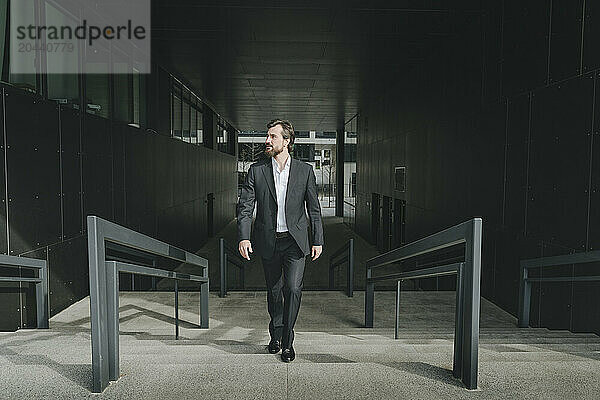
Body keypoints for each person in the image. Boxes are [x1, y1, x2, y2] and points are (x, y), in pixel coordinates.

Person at [237, 119, 324, 362]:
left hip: (295, 242)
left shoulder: (305, 171)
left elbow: (314, 210)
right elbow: (245, 208)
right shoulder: (257, 170)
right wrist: (244, 237)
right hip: (269, 241)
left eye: (273, 136)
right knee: (274, 291)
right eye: (268, 136)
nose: (268, 140)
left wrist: (317, 239)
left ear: (287, 141)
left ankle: (287, 342)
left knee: (293, 289)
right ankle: (275, 334)